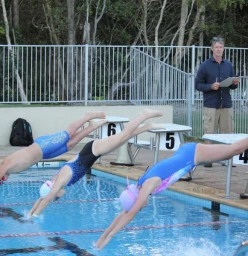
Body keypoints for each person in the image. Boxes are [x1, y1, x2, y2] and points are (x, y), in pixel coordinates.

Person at [95, 138, 248, 250]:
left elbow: (130, 215)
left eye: (139, 206)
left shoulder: (148, 185)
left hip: (192, 154)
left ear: (137, 200)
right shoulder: (139, 186)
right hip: (187, 154)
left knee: (235, 149)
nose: (141, 207)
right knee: (228, 154)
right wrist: (102, 238)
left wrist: (110, 237)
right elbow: (124, 213)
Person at [27, 109, 163, 217]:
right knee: (123, 139)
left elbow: (46, 200)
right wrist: (30, 214)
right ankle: (147, 126)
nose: (55, 200)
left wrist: (35, 217)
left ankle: (145, 115)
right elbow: (43, 198)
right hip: (93, 152)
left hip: (93, 150)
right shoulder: (55, 181)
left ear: (53, 191)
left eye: (54, 198)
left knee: (123, 136)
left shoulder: (59, 181)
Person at [0, 111, 107, 183]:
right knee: (69, 145)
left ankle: (87, 116)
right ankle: (91, 127)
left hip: (43, 146)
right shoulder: (7, 168)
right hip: (43, 154)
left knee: (68, 134)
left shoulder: (4, 165)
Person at [195, 36, 240, 167]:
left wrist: (235, 83)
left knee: (228, 133)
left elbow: (232, 85)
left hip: (226, 104)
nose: (219, 49)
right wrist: (210, 86)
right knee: (210, 133)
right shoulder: (205, 66)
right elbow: (198, 85)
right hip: (211, 104)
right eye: (216, 47)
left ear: (223, 49)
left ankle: (228, 160)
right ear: (212, 49)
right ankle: (208, 161)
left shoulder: (229, 65)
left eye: (221, 47)